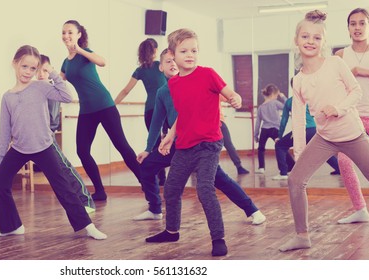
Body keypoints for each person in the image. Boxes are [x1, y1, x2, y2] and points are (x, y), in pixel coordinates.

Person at [279, 10, 369, 252]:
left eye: (317, 38)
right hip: (325, 138)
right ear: (296, 40)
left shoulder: (335, 63)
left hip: (353, 135)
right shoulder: (298, 81)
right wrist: (299, 150)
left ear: (323, 42)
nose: (310, 41)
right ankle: (302, 235)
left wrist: (338, 108)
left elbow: (356, 91)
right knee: (295, 179)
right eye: (305, 36)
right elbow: (297, 118)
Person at [135, 49, 265, 226]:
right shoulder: (163, 92)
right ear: (160, 67)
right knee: (147, 166)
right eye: (168, 61)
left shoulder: (197, 80)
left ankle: (253, 210)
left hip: (202, 143)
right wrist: (148, 149)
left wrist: (235, 98)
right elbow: (156, 123)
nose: (173, 63)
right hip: (179, 143)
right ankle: (155, 209)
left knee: (220, 179)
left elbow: (224, 94)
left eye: (175, 60)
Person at [145, 28, 243, 257]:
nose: (190, 54)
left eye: (194, 50)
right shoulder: (174, 85)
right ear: (172, 54)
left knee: (205, 189)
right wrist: (170, 136)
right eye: (184, 51)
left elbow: (229, 93)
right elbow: (183, 114)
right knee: (171, 188)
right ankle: (171, 230)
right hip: (185, 145)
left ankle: (218, 238)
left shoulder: (208, 74)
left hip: (209, 144)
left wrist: (235, 98)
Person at [0, 45, 106, 240]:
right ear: (14, 64)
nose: (28, 72)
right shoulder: (7, 97)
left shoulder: (41, 87)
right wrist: (0, 158)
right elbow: (5, 131)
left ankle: (87, 226)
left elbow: (67, 96)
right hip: (19, 147)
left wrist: (52, 71)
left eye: (33, 68)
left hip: (44, 146)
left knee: (64, 187)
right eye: (24, 66)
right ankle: (11, 226)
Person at [60, 20, 140, 201]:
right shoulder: (66, 63)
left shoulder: (85, 53)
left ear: (79, 34)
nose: (66, 36)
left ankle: (145, 182)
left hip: (105, 106)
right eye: (64, 32)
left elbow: (103, 62)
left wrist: (78, 49)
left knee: (121, 145)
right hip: (86, 111)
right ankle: (100, 191)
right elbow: (58, 82)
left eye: (70, 32)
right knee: (82, 151)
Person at [333, 7, 369, 224]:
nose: (357, 27)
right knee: (344, 162)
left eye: (362, 23)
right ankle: (360, 209)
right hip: (350, 118)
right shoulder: (340, 55)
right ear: (348, 29)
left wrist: (366, 72)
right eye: (353, 23)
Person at [38, 54, 95, 213]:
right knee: (7, 169)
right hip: (30, 139)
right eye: (38, 70)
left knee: (65, 169)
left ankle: (86, 201)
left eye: (45, 70)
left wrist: (46, 132)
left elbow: (53, 120)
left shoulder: (50, 90)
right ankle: (1, 203)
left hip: (47, 139)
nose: (41, 73)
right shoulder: (33, 88)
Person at [114, 38, 168, 185]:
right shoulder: (161, 66)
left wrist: (112, 105)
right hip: (166, 109)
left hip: (150, 110)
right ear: (155, 51)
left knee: (156, 144)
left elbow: (125, 90)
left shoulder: (140, 70)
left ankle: (160, 178)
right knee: (167, 142)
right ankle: (164, 176)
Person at [273, 79, 340, 180]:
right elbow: (319, 114)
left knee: (280, 145)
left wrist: (279, 136)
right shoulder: (310, 100)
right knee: (322, 151)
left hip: (301, 130)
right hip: (313, 130)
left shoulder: (289, 101)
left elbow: (284, 121)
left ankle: (283, 173)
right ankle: (339, 168)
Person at [254, 84, 286, 174]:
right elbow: (287, 107)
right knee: (281, 147)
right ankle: (291, 166)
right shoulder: (275, 103)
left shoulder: (260, 107)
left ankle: (261, 168)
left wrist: (256, 135)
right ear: (272, 94)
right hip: (275, 129)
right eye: (276, 96)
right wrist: (283, 97)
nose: (276, 98)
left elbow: (258, 123)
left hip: (264, 130)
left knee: (261, 148)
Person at [220, 96, 250, 175]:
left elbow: (230, 99)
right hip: (216, 123)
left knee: (228, 145)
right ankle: (239, 166)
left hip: (214, 123)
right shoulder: (215, 91)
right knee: (228, 145)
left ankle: (239, 166)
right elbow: (230, 99)